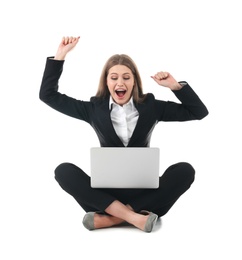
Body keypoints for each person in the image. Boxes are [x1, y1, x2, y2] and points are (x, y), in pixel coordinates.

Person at [39, 36, 208, 233]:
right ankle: (133, 218)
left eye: (126, 77)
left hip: (146, 196)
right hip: (105, 197)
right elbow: (48, 95)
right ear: (107, 81)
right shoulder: (93, 109)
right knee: (63, 171)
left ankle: (111, 220)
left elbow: (198, 112)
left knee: (185, 171)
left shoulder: (151, 107)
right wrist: (60, 56)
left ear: (134, 81)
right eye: (114, 77)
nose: (120, 82)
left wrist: (175, 86)